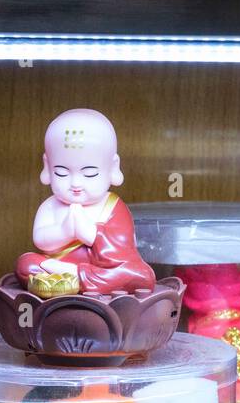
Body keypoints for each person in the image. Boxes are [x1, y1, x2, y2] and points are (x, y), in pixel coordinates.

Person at [15, 108, 156, 298]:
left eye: (89, 173)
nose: (75, 183)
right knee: (26, 264)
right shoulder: (51, 205)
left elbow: (123, 253)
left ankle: (73, 276)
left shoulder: (113, 205)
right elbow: (40, 240)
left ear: (112, 168)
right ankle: (71, 276)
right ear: (47, 167)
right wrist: (66, 231)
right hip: (58, 264)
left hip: (101, 269)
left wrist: (90, 234)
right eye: (61, 173)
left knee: (141, 275)